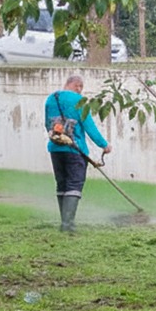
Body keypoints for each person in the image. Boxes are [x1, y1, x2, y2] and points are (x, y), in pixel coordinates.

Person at [45, 74, 111, 232]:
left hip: (55, 148)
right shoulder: (79, 102)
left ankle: (64, 222)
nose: (80, 91)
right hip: (75, 150)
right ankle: (68, 224)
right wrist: (104, 145)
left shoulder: (51, 99)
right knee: (74, 184)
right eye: (80, 87)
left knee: (62, 184)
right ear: (77, 86)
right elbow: (89, 126)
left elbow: (47, 124)